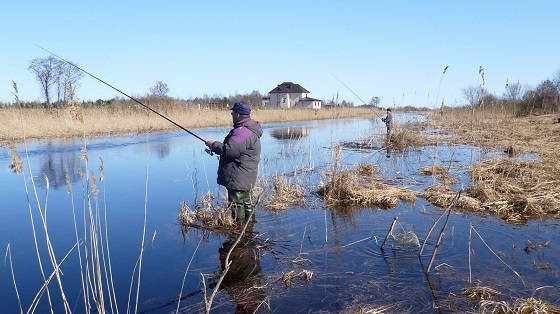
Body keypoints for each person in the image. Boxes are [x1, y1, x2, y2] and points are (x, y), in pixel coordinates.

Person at [205, 102, 262, 222]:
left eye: (232, 113)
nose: (231, 115)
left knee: (237, 204)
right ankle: (248, 228)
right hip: (245, 174)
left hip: (238, 175)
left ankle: (239, 229)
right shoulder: (249, 129)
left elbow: (230, 151)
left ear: (237, 115)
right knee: (246, 202)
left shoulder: (242, 132)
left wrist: (213, 144)